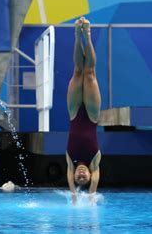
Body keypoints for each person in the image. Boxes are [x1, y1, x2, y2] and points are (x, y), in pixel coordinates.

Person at [65, 17, 101, 204]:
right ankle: (87, 34)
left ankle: (77, 36)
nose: (80, 175)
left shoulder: (70, 159)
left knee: (78, 71)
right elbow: (94, 181)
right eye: (84, 178)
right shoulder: (95, 160)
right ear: (90, 175)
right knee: (90, 74)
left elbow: (69, 174)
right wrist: (90, 196)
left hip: (74, 113)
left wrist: (74, 196)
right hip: (92, 115)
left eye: (77, 178)